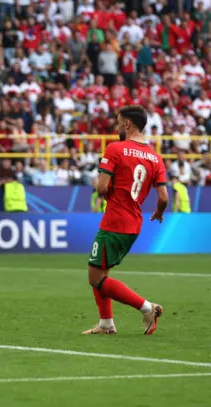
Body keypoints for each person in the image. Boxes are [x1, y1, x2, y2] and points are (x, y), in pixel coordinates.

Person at [84, 106, 168, 336]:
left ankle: (147, 308)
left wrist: (107, 191)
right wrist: (159, 212)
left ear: (128, 124)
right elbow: (163, 197)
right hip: (134, 222)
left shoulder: (115, 149)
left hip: (114, 221)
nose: (116, 127)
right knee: (102, 271)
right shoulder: (155, 157)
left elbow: (101, 187)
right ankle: (106, 324)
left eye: (119, 122)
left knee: (94, 276)